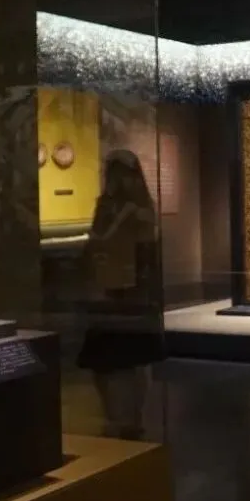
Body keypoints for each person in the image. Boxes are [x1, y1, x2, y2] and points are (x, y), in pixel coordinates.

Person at [77, 149, 164, 440]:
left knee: (130, 361)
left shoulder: (140, 210)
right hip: (106, 291)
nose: (114, 179)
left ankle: (130, 419)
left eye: (119, 173)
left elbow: (144, 251)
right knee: (104, 363)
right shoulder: (106, 205)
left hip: (131, 294)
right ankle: (115, 417)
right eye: (111, 172)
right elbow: (96, 244)